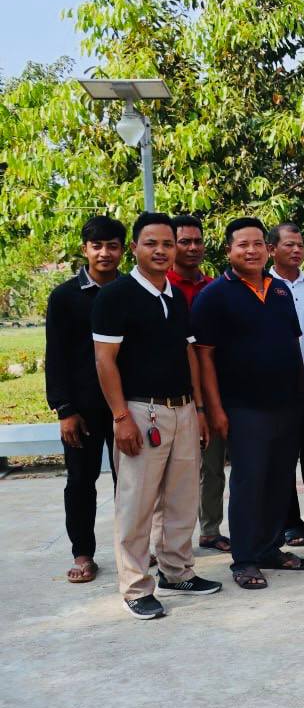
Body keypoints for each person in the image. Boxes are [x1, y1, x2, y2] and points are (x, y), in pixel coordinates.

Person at [92, 212, 222, 619]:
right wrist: (120, 418)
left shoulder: (175, 296)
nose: (161, 251)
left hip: (182, 409)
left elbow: (188, 353)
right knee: (137, 504)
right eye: (152, 243)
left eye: (168, 243)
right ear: (135, 248)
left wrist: (198, 409)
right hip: (139, 410)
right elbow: (104, 360)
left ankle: (177, 571)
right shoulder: (115, 296)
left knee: (182, 499)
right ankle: (135, 586)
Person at [192, 217, 304, 590]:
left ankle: (269, 549)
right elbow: (204, 357)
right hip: (243, 408)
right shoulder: (214, 295)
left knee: (279, 480)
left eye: (258, 243)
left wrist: (298, 398)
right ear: (229, 250)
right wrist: (214, 409)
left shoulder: (280, 291)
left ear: (268, 249)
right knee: (249, 482)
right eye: (243, 244)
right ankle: (244, 559)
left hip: (286, 405)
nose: (251, 250)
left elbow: (293, 345)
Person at [46, 215, 124, 584]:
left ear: (123, 250)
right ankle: (83, 553)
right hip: (82, 409)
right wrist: (65, 409)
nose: (105, 253)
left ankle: (134, 549)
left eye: (112, 246)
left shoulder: (130, 292)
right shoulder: (64, 297)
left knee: (131, 483)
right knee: (80, 481)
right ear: (85, 249)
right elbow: (56, 356)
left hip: (126, 405)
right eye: (97, 246)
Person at [163, 215, 230, 554]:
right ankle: (167, 543)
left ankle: (210, 529)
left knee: (213, 466)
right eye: (184, 241)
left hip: (214, 386)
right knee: (172, 472)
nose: (192, 247)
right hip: (171, 391)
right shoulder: (162, 287)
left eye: (197, 241)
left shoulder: (214, 288)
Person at [269, 223, 304, 543]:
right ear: (272, 249)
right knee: (283, 462)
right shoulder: (262, 286)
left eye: (300, 245)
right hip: (281, 392)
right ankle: (291, 523)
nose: (296, 250)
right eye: (289, 244)